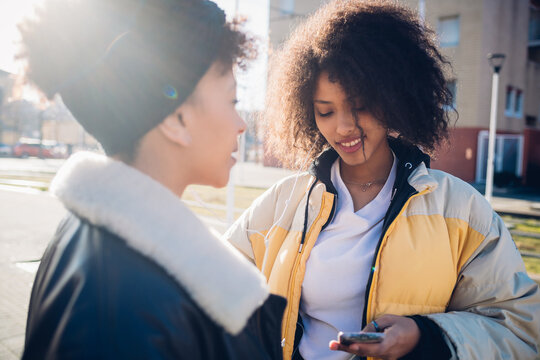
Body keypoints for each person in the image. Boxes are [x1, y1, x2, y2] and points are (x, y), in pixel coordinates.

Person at [222, 1, 540, 359]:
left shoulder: (461, 209)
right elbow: (213, 289)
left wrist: (427, 336)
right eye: (325, 111)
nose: (343, 126)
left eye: (360, 105)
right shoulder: (283, 203)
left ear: (393, 95)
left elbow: (519, 328)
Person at [20, 0, 285, 359]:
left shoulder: (89, 240)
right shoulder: (127, 306)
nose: (241, 124)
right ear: (176, 119)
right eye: (232, 100)